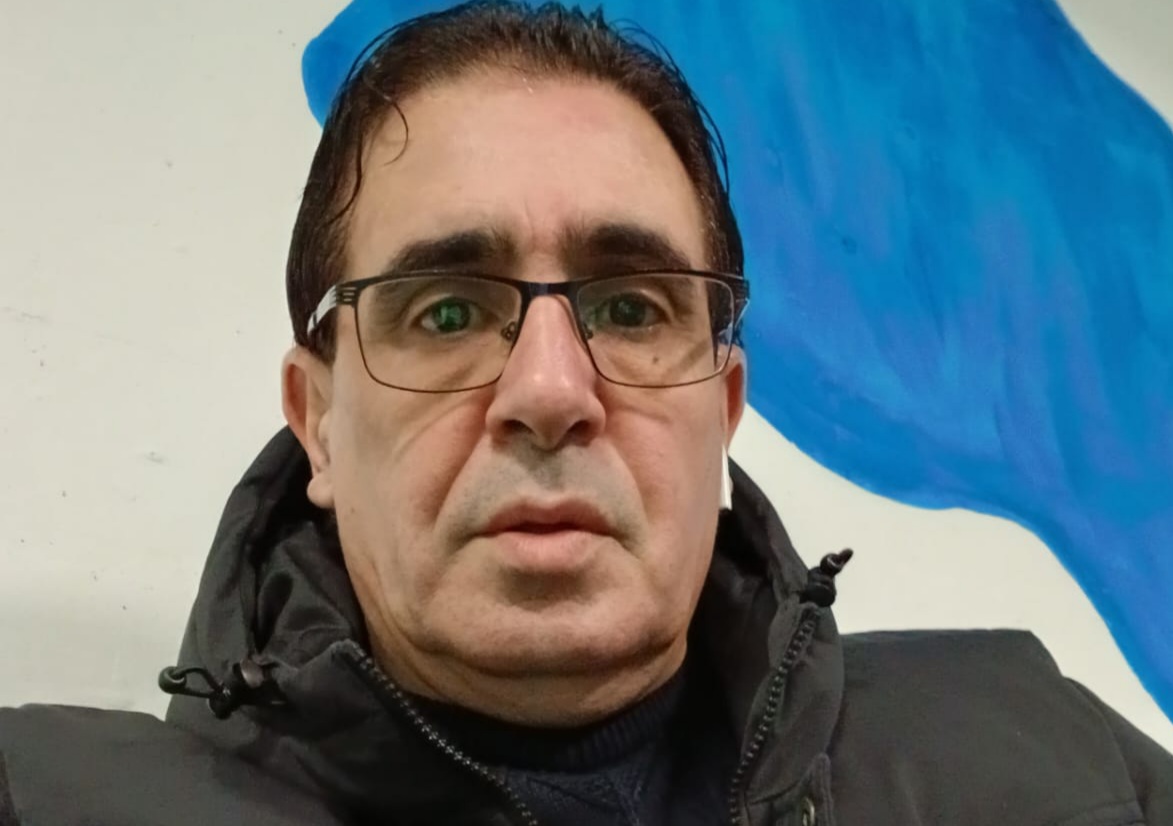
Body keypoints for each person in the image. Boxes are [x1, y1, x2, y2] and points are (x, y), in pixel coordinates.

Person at [2, 1, 1170, 823]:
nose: (551, 392)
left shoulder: (1056, 763)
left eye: (628, 307)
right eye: (447, 312)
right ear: (317, 421)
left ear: (723, 407)